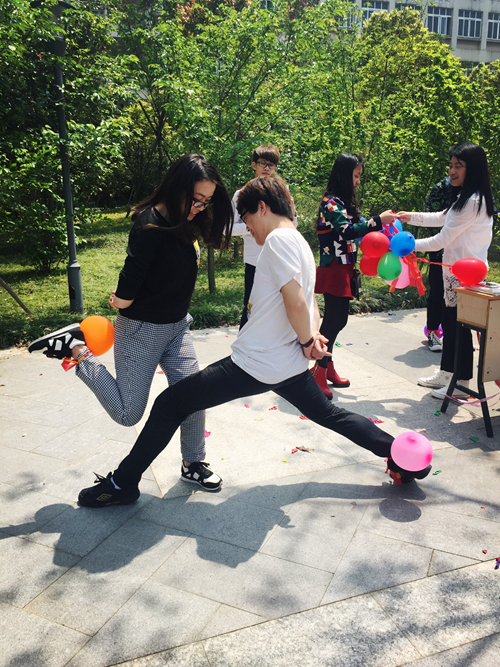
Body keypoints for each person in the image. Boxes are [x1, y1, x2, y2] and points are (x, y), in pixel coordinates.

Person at [77, 176, 431, 508]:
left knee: (170, 404)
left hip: (257, 363)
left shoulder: (277, 240)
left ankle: (123, 483)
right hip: (285, 364)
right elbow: (308, 301)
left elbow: (296, 302)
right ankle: (400, 456)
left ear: (262, 207)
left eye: (247, 219)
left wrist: (308, 338)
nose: (248, 229)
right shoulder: (299, 241)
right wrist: (312, 335)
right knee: (331, 415)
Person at [28, 153, 234, 491]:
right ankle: (76, 349)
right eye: (197, 199)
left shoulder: (189, 220)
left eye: (207, 201)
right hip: (141, 330)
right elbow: (128, 286)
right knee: (128, 414)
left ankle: (193, 462)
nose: (200, 207)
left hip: (177, 327)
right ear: (177, 187)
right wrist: (119, 300)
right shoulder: (149, 225)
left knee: (194, 396)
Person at [398, 142, 494, 399]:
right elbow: (441, 217)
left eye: (458, 166)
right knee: (450, 324)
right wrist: (410, 216)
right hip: (454, 272)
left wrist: (408, 246)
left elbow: (441, 240)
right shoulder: (465, 197)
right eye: (450, 165)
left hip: (466, 276)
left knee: (458, 327)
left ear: (472, 169)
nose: (452, 171)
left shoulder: (473, 201)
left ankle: (460, 381)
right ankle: (447, 372)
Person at [311, 153, 395, 398]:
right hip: (334, 267)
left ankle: (326, 367)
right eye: (356, 176)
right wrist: (378, 220)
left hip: (344, 266)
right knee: (334, 321)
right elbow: (347, 232)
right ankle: (318, 370)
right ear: (344, 175)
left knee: (337, 320)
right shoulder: (331, 203)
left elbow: (357, 231)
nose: (358, 181)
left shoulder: (342, 202)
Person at [231, 145, 297, 328]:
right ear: (254, 165)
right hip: (255, 261)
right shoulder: (241, 194)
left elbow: (292, 227)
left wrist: (292, 210)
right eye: (263, 163)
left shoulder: (282, 193)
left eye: (271, 165)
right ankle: (244, 343)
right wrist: (253, 227)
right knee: (251, 308)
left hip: (279, 258)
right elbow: (227, 228)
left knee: (278, 308)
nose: (267, 168)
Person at [422, 176, 452, 353]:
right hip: (440, 250)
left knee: (462, 297)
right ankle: (433, 332)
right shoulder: (442, 186)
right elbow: (432, 217)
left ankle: (456, 336)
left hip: (464, 255)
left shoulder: (476, 192)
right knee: (438, 292)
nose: (453, 171)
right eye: (452, 166)